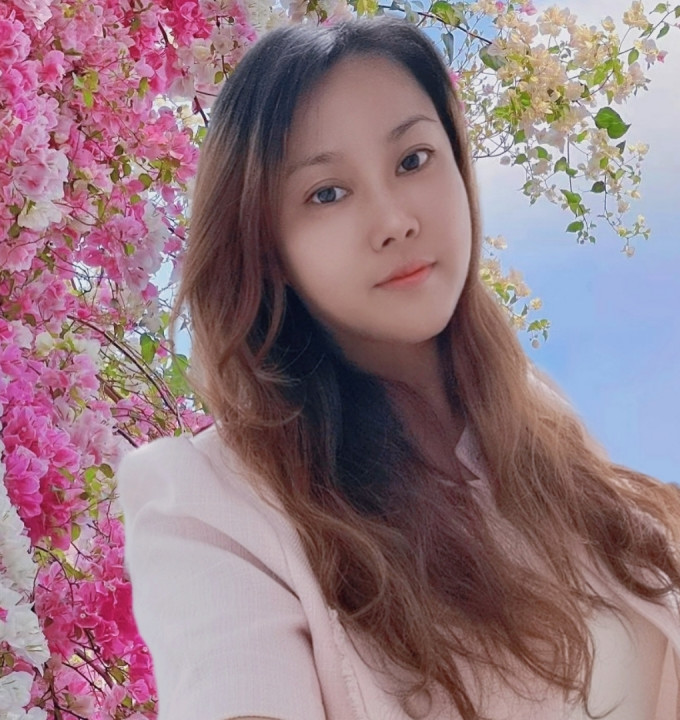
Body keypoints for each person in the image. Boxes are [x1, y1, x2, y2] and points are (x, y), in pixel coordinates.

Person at [117, 16, 680, 720]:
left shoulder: (535, 417)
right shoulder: (211, 502)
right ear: (268, 249)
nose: (394, 221)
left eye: (413, 160)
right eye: (326, 193)